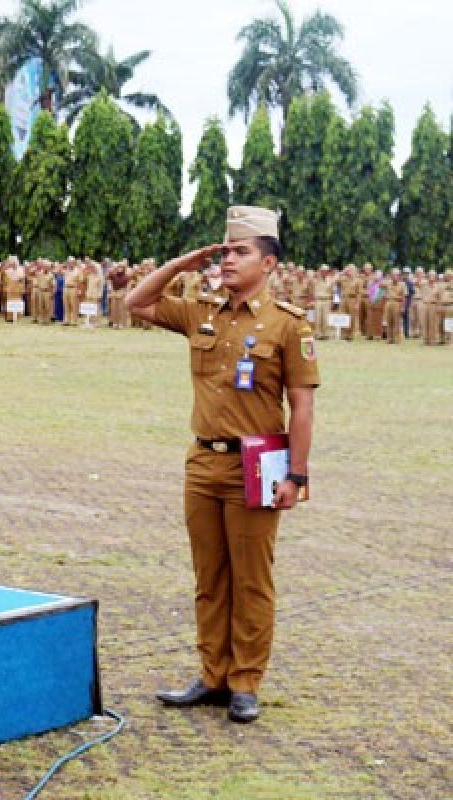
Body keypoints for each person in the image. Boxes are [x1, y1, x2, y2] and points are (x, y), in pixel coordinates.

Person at [126, 205, 319, 724]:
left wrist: (297, 476)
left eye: (241, 252)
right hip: (202, 464)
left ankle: (245, 682)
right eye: (226, 251)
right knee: (209, 577)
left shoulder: (287, 326)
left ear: (270, 263)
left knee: (251, 579)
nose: (229, 260)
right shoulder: (201, 313)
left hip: (255, 468)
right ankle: (212, 675)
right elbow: (136, 302)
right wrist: (179, 265)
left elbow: (302, 405)